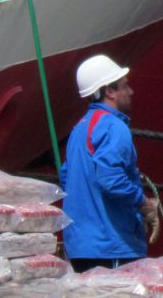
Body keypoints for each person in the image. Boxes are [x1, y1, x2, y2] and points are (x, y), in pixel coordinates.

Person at [61, 54, 155, 271]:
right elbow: (111, 180)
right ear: (109, 91)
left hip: (80, 246)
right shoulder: (114, 126)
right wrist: (143, 203)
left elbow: (67, 177)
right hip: (112, 246)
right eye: (125, 86)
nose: (131, 92)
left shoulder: (79, 128)